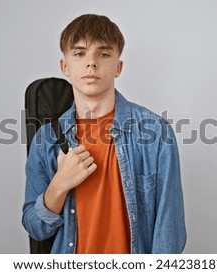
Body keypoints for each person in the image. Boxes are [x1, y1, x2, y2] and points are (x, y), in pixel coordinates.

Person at [22, 14, 186, 254]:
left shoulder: (156, 133)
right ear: (64, 66)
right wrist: (59, 185)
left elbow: (169, 234)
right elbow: (35, 228)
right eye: (79, 54)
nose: (92, 63)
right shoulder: (46, 139)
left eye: (104, 54)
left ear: (118, 67)